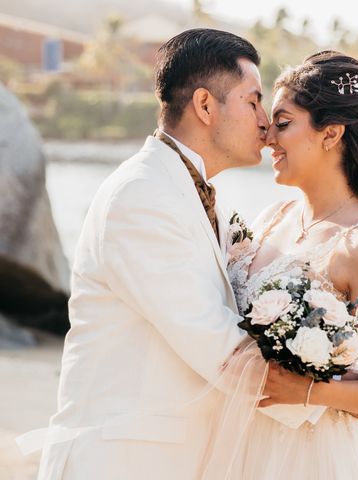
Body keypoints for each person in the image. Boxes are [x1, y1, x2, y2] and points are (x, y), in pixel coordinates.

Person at [17, 29, 271, 480]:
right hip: (120, 461)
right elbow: (219, 348)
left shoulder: (196, 196)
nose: (265, 120)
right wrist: (330, 395)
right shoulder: (141, 196)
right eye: (253, 102)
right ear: (206, 105)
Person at [202, 50, 358, 480]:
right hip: (233, 436)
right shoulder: (273, 217)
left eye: (282, 123)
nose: (267, 137)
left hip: (308, 456)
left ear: (331, 134)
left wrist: (312, 391)